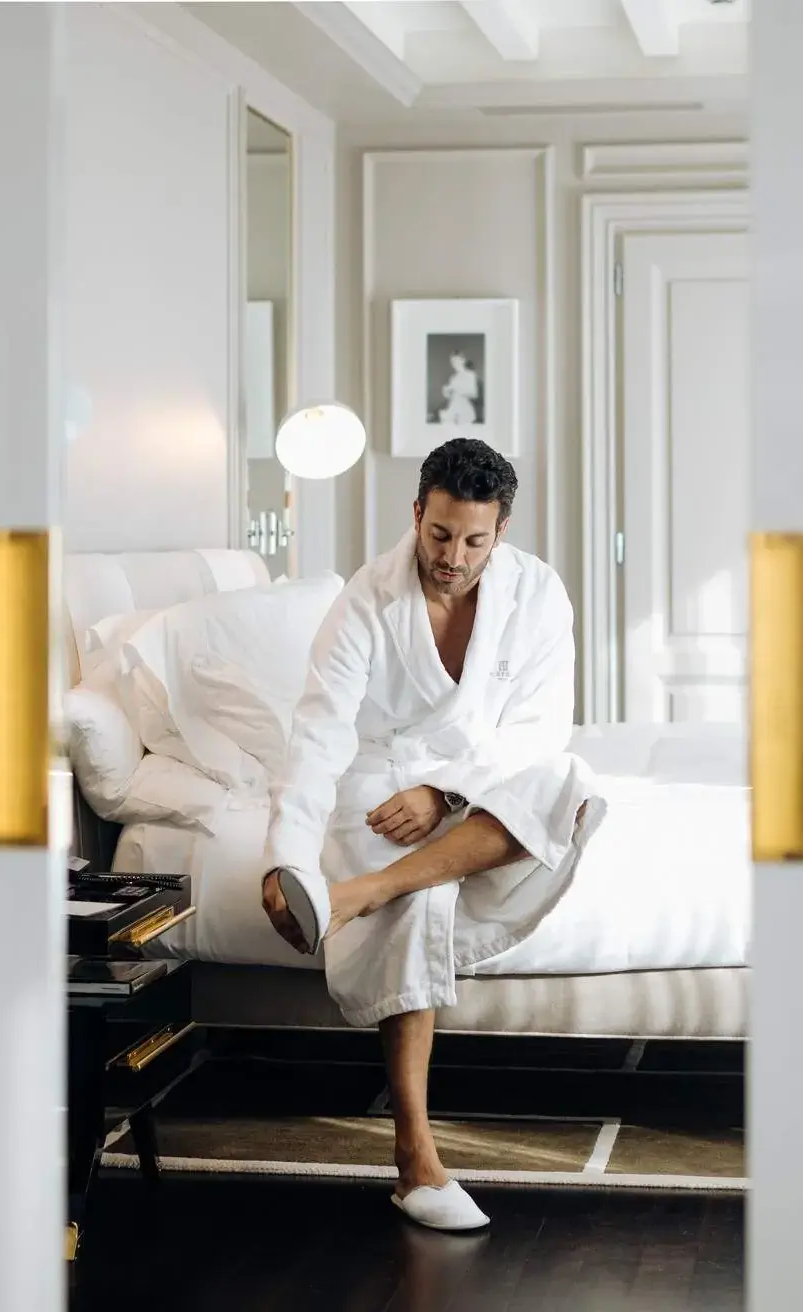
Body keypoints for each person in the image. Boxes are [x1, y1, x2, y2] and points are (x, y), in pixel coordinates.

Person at [260, 437, 604, 1232]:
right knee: (422, 903)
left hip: (470, 778)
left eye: (474, 540)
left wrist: (445, 789)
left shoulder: (539, 593)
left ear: (501, 531)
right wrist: (285, 856)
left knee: (569, 784)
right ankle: (415, 1156)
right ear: (417, 513)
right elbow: (319, 731)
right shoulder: (365, 600)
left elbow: (541, 729)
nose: (453, 556)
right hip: (380, 780)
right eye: (440, 534)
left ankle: (360, 894)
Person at [437, 351, 479, 425]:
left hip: (464, 410)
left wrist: (457, 389)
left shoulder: (470, 375)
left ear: (463, 360)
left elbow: (474, 393)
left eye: (456, 360)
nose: (454, 363)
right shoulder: (453, 377)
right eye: (452, 361)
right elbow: (450, 397)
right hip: (453, 409)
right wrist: (446, 392)